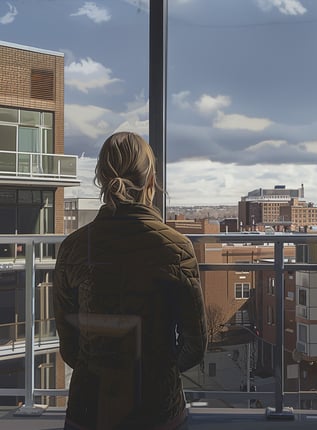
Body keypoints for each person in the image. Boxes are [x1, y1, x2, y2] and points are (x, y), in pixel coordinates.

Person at [53, 132, 207, 430]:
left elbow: (69, 346)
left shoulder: (73, 247)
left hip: (89, 407)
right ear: (151, 181)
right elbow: (195, 345)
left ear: (100, 179)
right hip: (157, 407)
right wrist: (159, 370)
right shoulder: (175, 248)